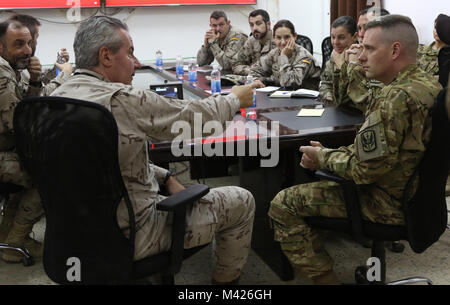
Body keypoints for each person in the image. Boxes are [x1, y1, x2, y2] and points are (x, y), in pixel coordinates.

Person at [50, 16, 259, 284]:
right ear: (106, 56)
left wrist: (166, 176)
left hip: (71, 234)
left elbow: (107, 163)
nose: (136, 63)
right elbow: (197, 119)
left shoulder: (55, 98)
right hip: (132, 233)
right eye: (130, 53)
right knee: (241, 201)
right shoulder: (123, 100)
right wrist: (234, 99)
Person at [268, 15, 442, 285]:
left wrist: (322, 158)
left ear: (395, 50)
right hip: (419, 199)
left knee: (283, 204)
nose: (361, 58)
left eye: (369, 49)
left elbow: (364, 170)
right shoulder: (430, 85)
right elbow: (381, 153)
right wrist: (332, 153)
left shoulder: (393, 99)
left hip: (386, 203)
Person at [0, 20, 46, 263]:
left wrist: (35, 81)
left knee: (29, 162)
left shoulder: (13, 68)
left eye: (29, 43)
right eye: (19, 44)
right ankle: (15, 242)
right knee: (49, 172)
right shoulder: (1, 71)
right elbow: (18, 125)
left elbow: (25, 113)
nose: (28, 50)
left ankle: (8, 236)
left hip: (7, 150)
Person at [7, 14, 73, 96]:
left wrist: (58, 67)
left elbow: (42, 83)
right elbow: (40, 96)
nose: (36, 42)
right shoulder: (13, 67)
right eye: (36, 37)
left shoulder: (24, 62)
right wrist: (65, 74)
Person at [249, 19, 321, 90]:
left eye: (287, 37)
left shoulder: (304, 56)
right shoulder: (274, 53)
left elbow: (290, 84)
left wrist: (283, 56)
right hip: (282, 95)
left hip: (306, 98)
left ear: (294, 36)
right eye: (278, 38)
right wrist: (257, 80)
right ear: (274, 38)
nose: (283, 42)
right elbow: (255, 70)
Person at [319, 16, 358, 103]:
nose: (335, 42)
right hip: (336, 108)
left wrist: (341, 67)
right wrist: (329, 97)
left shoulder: (361, 59)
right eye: (333, 37)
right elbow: (325, 83)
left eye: (341, 37)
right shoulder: (335, 56)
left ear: (355, 36)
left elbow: (354, 96)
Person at [232, 9, 276, 79]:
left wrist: (253, 72)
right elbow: (235, 64)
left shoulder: (277, 41)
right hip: (254, 82)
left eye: (258, 23)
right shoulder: (251, 40)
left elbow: (272, 71)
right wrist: (251, 71)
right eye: (251, 25)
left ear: (268, 24)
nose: (254, 28)